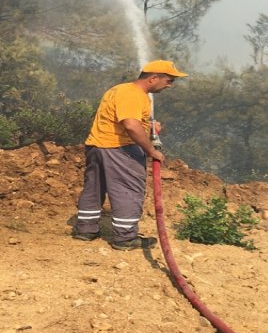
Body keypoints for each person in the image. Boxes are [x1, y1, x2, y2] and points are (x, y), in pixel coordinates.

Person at [72, 59, 188, 250]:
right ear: (153, 78)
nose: (170, 85)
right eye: (169, 80)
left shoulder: (121, 90)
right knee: (128, 190)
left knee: (94, 188)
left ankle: (86, 229)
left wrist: (150, 127)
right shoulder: (133, 94)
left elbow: (126, 120)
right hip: (119, 149)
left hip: (97, 146)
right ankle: (125, 238)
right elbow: (130, 125)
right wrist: (151, 150)